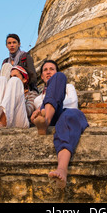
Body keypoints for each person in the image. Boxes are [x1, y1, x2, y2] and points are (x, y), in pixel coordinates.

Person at [31, 60, 88, 189]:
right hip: (52, 116)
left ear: (55, 71)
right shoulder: (37, 99)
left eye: (52, 69)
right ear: (41, 76)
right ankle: (46, 119)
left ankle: (62, 168)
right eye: (45, 70)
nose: (48, 71)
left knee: (68, 117)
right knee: (47, 110)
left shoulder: (68, 87)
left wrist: (44, 109)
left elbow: (72, 103)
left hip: (65, 113)